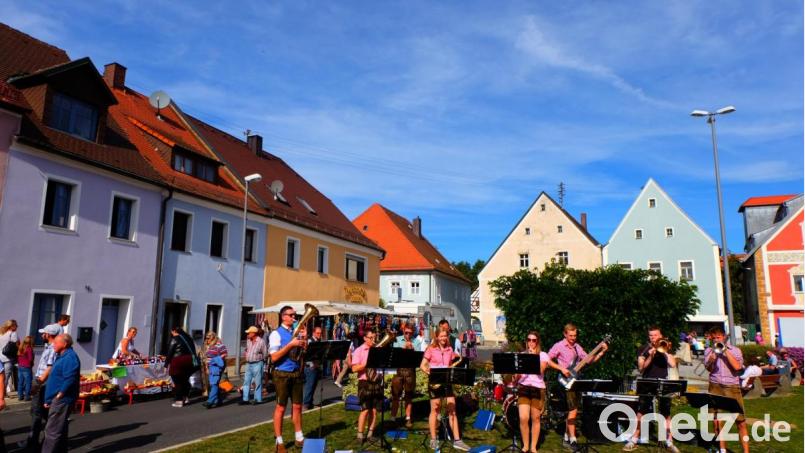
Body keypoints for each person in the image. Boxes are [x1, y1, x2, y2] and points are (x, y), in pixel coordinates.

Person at [548, 323, 607, 451]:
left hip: (576, 380)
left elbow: (588, 360)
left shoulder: (577, 347)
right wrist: (561, 368)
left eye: (575, 335)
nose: (573, 338)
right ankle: (573, 439)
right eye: (570, 336)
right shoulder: (559, 346)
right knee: (573, 409)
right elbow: (547, 360)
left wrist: (601, 352)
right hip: (565, 381)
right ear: (565, 334)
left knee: (573, 410)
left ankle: (566, 437)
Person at [623, 327, 679, 453]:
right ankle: (634, 439)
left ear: (661, 335)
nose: (653, 337)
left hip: (663, 382)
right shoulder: (643, 349)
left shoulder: (666, 346)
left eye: (655, 335)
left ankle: (669, 441)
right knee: (641, 411)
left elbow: (673, 364)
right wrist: (651, 354)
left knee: (666, 412)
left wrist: (663, 350)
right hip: (648, 382)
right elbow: (641, 368)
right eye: (651, 335)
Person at [516, 331, 567, 453]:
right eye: (529, 340)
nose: (531, 343)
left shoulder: (543, 355)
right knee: (523, 418)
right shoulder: (521, 355)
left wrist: (533, 357)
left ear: (537, 342)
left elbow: (540, 370)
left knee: (536, 418)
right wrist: (515, 374)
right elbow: (517, 377)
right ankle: (525, 446)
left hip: (538, 389)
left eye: (534, 340)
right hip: (523, 387)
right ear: (526, 341)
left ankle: (533, 447)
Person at [420, 329, 471, 451]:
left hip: (447, 383)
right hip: (435, 383)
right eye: (441, 336)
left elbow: (455, 360)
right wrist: (430, 374)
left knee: (452, 410)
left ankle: (457, 440)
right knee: (435, 409)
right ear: (436, 337)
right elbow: (422, 365)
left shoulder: (449, 349)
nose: (444, 338)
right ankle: (433, 439)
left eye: (445, 336)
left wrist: (460, 355)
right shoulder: (431, 349)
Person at [705, 326, 749, 453]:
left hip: (732, 387)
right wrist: (711, 360)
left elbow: (737, 367)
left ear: (724, 337)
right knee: (717, 421)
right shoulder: (709, 351)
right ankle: (722, 450)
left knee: (740, 421)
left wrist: (724, 351)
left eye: (718, 337)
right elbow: (709, 369)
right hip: (715, 386)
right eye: (713, 338)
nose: (715, 340)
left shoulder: (735, 350)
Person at [269, 306, 306, 453]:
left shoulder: (295, 332)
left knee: (297, 406)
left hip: (296, 372)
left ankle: (299, 437)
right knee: (281, 407)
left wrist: (305, 339)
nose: (294, 318)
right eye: (291, 315)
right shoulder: (275, 334)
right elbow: (274, 357)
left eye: (294, 315)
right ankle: (279, 441)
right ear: (283, 316)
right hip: (282, 373)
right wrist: (291, 344)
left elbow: (304, 351)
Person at [19, 324, 59, 451]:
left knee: (38, 413)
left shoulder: (53, 349)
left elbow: (50, 367)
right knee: (39, 413)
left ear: (49, 335)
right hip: (42, 382)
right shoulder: (49, 347)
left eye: (44, 333)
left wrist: (38, 382)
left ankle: (37, 442)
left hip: (43, 383)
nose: (42, 335)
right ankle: (38, 441)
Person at [41, 334, 80, 453]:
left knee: (52, 431)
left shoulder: (70, 357)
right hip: (57, 399)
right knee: (60, 430)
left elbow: (70, 378)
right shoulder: (62, 356)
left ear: (65, 344)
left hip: (62, 400)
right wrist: (49, 399)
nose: (53, 344)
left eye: (56, 342)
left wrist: (59, 395)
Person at [352, 330, 383, 443]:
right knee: (365, 409)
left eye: (374, 337)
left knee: (374, 410)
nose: (373, 340)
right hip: (365, 382)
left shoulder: (376, 350)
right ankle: (360, 435)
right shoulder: (359, 350)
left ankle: (370, 434)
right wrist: (366, 363)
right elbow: (354, 368)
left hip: (376, 382)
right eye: (370, 338)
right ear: (365, 338)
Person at [391, 325, 420, 428]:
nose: (408, 335)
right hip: (399, 370)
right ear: (403, 331)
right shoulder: (397, 339)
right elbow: (394, 354)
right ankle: (393, 418)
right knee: (395, 395)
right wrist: (403, 348)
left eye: (410, 333)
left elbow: (419, 358)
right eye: (406, 332)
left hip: (410, 371)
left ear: (413, 333)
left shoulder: (416, 341)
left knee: (409, 396)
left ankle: (408, 418)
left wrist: (412, 348)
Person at [165, 326, 200, 408]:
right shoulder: (188, 338)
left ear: (173, 331)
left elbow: (170, 352)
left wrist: (166, 364)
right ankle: (185, 397)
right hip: (189, 361)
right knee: (184, 380)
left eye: (171, 332)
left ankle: (179, 400)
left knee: (177, 381)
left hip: (178, 361)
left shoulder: (175, 339)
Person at [241, 326, 267, 405]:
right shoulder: (248, 340)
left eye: (249, 333)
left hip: (257, 363)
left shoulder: (261, 341)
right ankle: (245, 399)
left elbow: (265, 353)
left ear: (254, 333)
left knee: (257, 382)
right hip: (248, 363)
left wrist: (262, 361)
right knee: (246, 381)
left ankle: (258, 399)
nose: (248, 334)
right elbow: (247, 349)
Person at [203, 332, 227, 409]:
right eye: (206, 338)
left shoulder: (219, 345)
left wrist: (216, 360)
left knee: (214, 383)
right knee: (214, 383)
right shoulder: (209, 346)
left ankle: (210, 401)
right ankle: (218, 400)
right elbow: (207, 357)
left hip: (216, 366)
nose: (207, 340)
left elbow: (225, 354)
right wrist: (207, 367)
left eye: (208, 338)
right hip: (211, 366)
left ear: (213, 337)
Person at [303, 326, 323, 410]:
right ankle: (306, 404)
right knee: (309, 386)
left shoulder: (319, 341)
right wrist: (312, 365)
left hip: (316, 366)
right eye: (318, 333)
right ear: (314, 333)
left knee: (314, 386)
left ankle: (310, 403)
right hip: (310, 367)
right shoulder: (310, 341)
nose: (319, 335)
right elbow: (307, 355)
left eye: (320, 333)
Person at [0, 320, 19, 392]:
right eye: (16, 325)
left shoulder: (1, 333)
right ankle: (2, 393)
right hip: (8, 357)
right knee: (6, 376)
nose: (17, 327)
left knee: (1, 376)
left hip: (0, 356)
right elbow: (15, 344)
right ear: (12, 326)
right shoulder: (13, 333)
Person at [17, 336, 34, 401]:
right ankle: (27, 396)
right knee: (28, 382)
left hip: (20, 366)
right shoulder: (29, 348)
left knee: (20, 382)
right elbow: (30, 359)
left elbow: (18, 358)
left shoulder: (20, 348)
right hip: (27, 367)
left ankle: (20, 396)